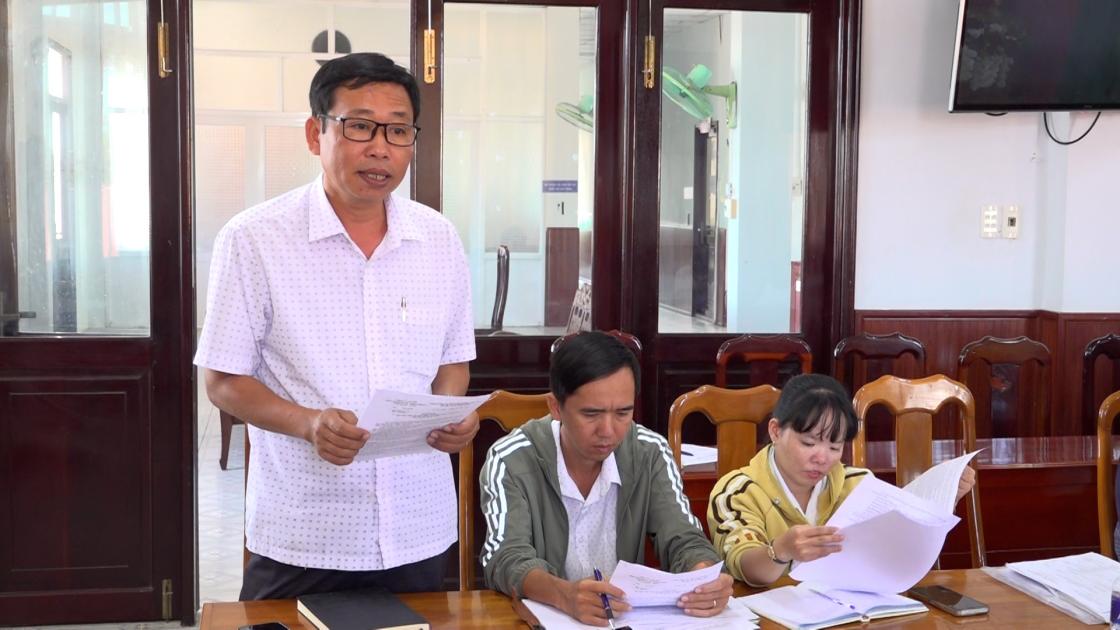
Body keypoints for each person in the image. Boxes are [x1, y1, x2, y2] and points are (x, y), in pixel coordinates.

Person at [194, 52, 478, 600]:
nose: (381, 148)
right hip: (306, 531)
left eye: (398, 130)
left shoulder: (439, 239)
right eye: (360, 126)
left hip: (418, 524)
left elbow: (453, 361)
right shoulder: (254, 239)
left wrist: (449, 417)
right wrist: (308, 424)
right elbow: (223, 381)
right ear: (315, 133)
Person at [479, 331, 733, 626]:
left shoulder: (649, 452)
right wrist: (563, 594)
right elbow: (505, 558)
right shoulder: (511, 458)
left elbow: (684, 537)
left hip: (624, 620)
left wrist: (703, 578)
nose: (608, 431)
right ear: (556, 407)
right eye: (591, 414)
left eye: (623, 413)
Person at [708, 374, 977, 586]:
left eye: (835, 447)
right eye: (808, 443)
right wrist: (781, 550)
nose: (822, 458)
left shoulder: (858, 484)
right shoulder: (737, 491)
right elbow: (745, 566)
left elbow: (896, 549)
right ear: (776, 431)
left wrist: (943, 498)